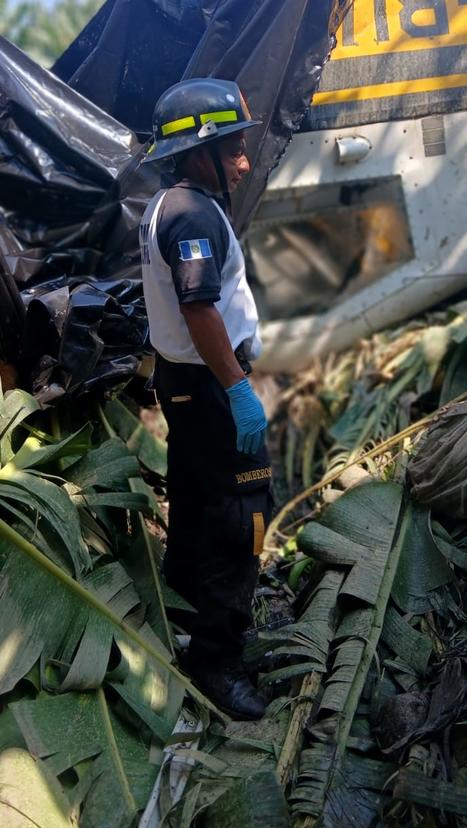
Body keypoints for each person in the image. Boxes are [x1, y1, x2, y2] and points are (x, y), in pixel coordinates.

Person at [139, 77, 272, 721]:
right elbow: (199, 308)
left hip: (186, 384)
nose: (243, 160)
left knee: (195, 501)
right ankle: (218, 659)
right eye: (233, 146)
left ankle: (190, 621)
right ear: (199, 152)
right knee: (239, 514)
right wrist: (240, 389)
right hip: (212, 386)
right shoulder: (192, 214)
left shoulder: (169, 204)